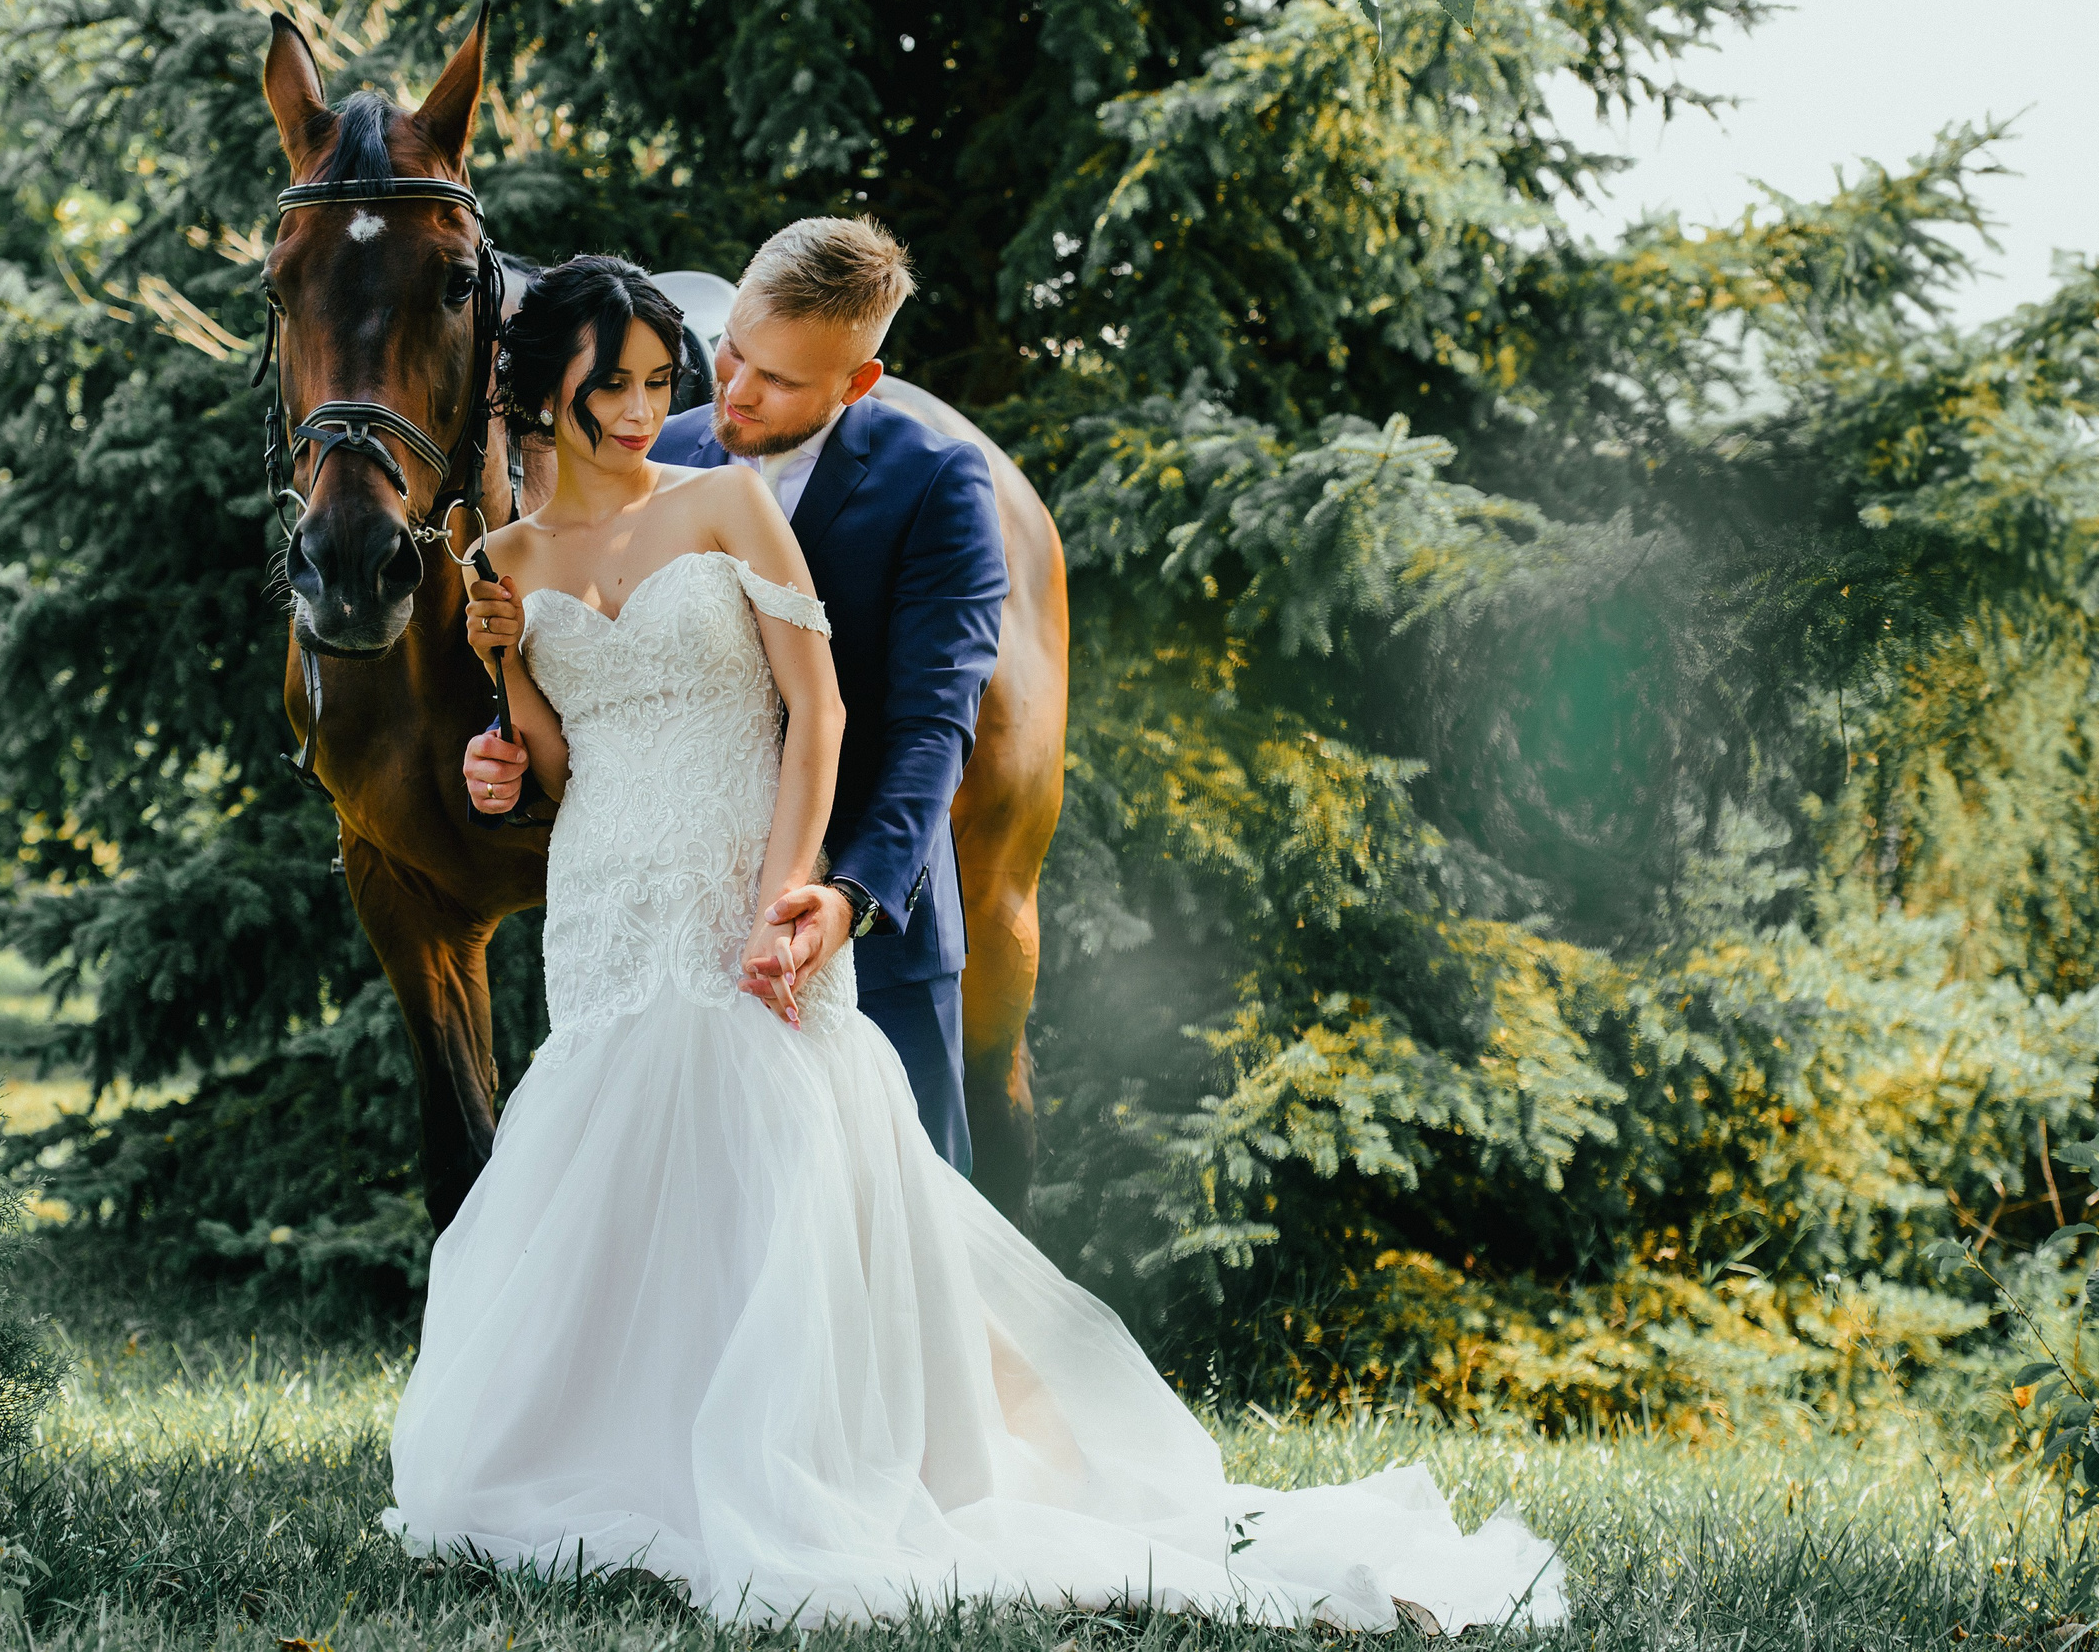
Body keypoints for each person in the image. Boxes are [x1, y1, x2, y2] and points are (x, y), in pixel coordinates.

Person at [388, 247, 1569, 1631]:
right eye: (629, 386)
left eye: (680, 379)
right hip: (608, 903)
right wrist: (504, 718)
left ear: (853, 378)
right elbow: (552, 750)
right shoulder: (516, 551)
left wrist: (811, 895)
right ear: (547, 398)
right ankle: (631, 1458)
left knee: (807, 1189)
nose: (673, 405)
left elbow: (869, 717)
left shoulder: (798, 498)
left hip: (785, 876)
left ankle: (835, 1462)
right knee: (632, 1172)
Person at [462, 218, 997, 1175]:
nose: (734, 394)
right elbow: (589, 661)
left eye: (779, 381)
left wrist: (844, 897)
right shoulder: (639, 442)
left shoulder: (937, 482)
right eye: (731, 353)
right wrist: (501, 742)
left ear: (854, 383)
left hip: (860, 907)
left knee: (899, 1236)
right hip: (654, 918)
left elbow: (929, 728)